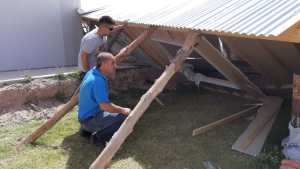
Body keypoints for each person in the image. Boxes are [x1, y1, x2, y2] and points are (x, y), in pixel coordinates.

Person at [78, 52, 131, 146]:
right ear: (103, 65)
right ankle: (99, 137)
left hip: (85, 117)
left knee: (114, 109)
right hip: (90, 119)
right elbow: (105, 106)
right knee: (125, 117)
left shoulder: (92, 72)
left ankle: (86, 131)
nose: (115, 66)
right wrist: (123, 110)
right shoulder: (97, 81)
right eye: (112, 63)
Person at [78, 15, 125, 80]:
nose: (112, 30)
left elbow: (111, 29)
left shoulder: (102, 33)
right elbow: (84, 57)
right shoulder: (91, 39)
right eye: (110, 29)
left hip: (96, 70)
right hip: (88, 72)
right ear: (103, 27)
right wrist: (89, 73)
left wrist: (120, 27)